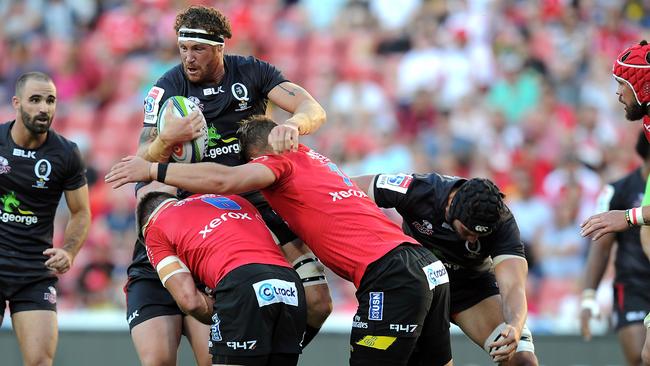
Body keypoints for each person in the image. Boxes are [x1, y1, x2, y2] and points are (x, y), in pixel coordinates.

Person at [105, 115, 453, 366]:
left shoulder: (277, 164)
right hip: (428, 266)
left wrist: (153, 169)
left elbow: (227, 181)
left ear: (256, 156)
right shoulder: (320, 162)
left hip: (389, 274)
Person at [127, 5, 330, 365]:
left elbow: (311, 107)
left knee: (318, 303)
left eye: (198, 49)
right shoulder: (168, 86)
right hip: (205, 211)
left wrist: (294, 125)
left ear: (220, 47)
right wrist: (166, 139)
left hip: (260, 200)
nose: (188, 58)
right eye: (183, 48)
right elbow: (144, 155)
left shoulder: (252, 72)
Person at [351, 173, 539, 365]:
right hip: (418, 283)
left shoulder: (503, 222)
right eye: (467, 231)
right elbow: (346, 188)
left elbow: (513, 286)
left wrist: (515, 326)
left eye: (478, 235)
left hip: (469, 288)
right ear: (450, 207)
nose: (472, 240)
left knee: (522, 360)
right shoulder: (420, 189)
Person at [136, 182, 306, 366]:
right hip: (290, 284)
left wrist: (224, 311)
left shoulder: (154, 228)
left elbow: (190, 301)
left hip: (240, 282)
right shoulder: (234, 200)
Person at [0, 71, 91, 366]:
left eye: (50, 100)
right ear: (17, 103)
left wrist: (69, 251)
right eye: (35, 100)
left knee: (40, 361)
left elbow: (80, 211)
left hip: (34, 272)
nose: (44, 108)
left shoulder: (66, 154)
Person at [580, 130, 650, 366]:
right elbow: (601, 246)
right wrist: (589, 296)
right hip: (635, 286)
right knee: (641, 359)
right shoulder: (617, 191)